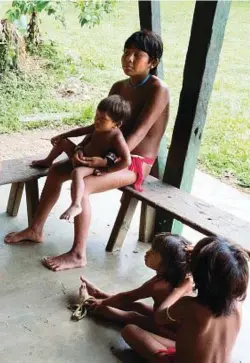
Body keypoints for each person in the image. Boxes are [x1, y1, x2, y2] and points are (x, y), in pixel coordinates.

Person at [4, 30, 169, 271]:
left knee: (83, 184)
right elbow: (102, 126)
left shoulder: (158, 89)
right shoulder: (119, 86)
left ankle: (78, 254)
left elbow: (138, 134)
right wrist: (82, 147)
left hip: (132, 162)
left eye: (137, 55)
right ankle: (35, 229)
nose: (129, 59)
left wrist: (104, 161)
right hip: (106, 153)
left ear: (152, 61)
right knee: (58, 170)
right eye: (126, 53)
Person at [122, 236, 249, 363]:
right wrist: (199, 255)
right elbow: (225, 268)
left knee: (130, 330)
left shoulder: (190, 306)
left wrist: (180, 289)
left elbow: (159, 317)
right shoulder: (237, 305)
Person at [31, 95, 131, 221]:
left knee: (77, 173)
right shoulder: (97, 126)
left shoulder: (116, 137)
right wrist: (63, 136)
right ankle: (48, 161)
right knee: (63, 142)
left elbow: (127, 160)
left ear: (116, 124)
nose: (97, 121)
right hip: (80, 155)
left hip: (91, 165)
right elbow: (80, 131)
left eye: (103, 119)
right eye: (96, 116)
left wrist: (107, 169)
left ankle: (76, 204)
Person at [81, 233, 193, 338]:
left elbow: (127, 297)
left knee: (133, 317)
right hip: (169, 320)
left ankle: (92, 306)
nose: (147, 252)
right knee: (137, 306)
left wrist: (102, 303)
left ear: (167, 264)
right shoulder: (182, 277)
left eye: (153, 252)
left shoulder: (158, 285)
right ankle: (100, 294)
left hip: (172, 333)